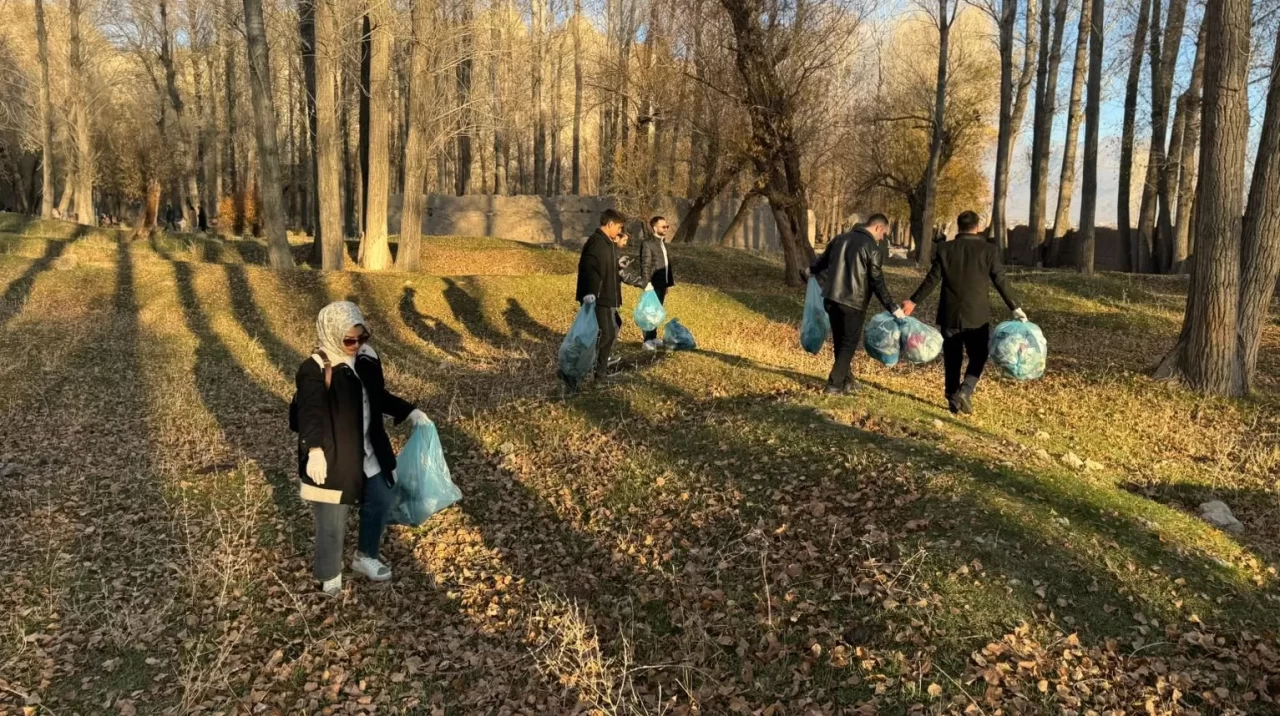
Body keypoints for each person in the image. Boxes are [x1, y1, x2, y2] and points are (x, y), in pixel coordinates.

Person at [294, 301, 430, 595]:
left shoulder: (367, 359)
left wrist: (410, 411)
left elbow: (378, 396)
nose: (356, 345)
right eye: (349, 340)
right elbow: (309, 414)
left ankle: (365, 555)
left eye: (362, 337)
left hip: (371, 450)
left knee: (381, 497)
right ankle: (329, 574)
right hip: (334, 456)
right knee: (332, 520)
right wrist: (314, 451)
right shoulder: (315, 368)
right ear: (332, 334)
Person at [903, 210, 1027, 415]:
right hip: (977, 316)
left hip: (950, 313)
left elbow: (932, 279)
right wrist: (1015, 307)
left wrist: (913, 301)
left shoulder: (945, 249)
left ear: (959, 226)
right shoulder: (988, 250)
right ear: (977, 227)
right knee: (979, 355)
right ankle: (965, 390)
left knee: (952, 357)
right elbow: (1000, 280)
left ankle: (952, 397)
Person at [809, 213, 905, 395]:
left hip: (831, 298)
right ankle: (834, 385)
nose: (882, 237)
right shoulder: (872, 249)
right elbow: (876, 280)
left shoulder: (839, 239)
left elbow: (821, 262)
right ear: (878, 227)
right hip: (853, 303)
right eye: (883, 233)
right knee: (848, 344)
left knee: (840, 342)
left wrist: (810, 270)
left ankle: (848, 381)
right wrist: (892, 306)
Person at [567, 209, 631, 390]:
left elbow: (605, 267)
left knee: (608, 333)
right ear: (610, 224)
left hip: (607, 296)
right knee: (606, 334)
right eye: (619, 227)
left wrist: (618, 265)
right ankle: (594, 374)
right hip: (598, 297)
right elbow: (587, 268)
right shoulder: (596, 242)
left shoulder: (607, 243)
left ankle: (597, 371)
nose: (620, 231)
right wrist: (589, 292)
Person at [637, 216, 676, 350]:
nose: (666, 229)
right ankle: (647, 340)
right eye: (663, 227)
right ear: (654, 228)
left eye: (667, 226)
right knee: (650, 312)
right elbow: (645, 265)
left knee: (657, 312)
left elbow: (666, 265)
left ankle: (653, 337)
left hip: (662, 283)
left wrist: (667, 283)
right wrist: (646, 283)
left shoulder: (662, 243)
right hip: (652, 284)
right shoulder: (648, 244)